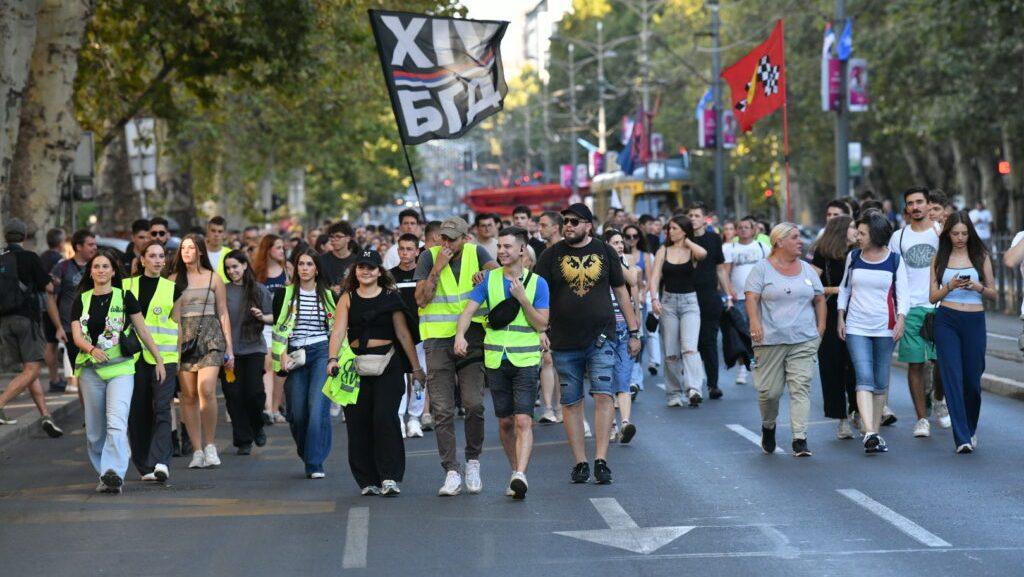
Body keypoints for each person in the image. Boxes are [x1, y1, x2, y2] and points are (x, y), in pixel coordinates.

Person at [535, 203, 641, 485]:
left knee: (604, 396)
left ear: (587, 225)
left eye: (573, 221)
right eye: (564, 221)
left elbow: (621, 292)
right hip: (564, 341)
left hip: (602, 337)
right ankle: (580, 462)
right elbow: (537, 293)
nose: (567, 225)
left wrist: (633, 332)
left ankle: (601, 460)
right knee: (571, 402)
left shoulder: (605, 251)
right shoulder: (551, 255)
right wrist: (540, 330)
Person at [455, 227, 548, 498]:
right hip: (496, 359)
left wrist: (522, 300)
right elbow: (468, 311)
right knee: (505, 422)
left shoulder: (537, 283)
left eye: (508, 246)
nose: (502, 251)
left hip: (527, 359)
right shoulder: (488, 280)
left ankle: (521, 474)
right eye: (500, 247)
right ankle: (514, 472)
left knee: (523, 420)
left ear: (522, 250)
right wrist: (460, 334)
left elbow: (542, 322)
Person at [414, 216, 498, 496]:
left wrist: (487, 277)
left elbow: (501, 281)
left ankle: (473, 461)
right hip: (437, 340)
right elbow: (421, 299)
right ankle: (451, 469)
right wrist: (436, 269)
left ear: (466, 237)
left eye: (452, 238)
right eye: (442, 237)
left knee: (474, 404)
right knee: (442, 409)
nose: (446, 242)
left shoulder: (478, 252)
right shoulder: (428, 257)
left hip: (472, 337)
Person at [328, 250, 423, 495]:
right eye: (361, 266)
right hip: (356, 366)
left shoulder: (391, 297)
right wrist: (332, 359)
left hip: (388, 364)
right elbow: (338, 332)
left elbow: (403, 334)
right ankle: (367, 480)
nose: (366, 271)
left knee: (384, 417)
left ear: (380, 271)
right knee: (358, 422)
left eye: (371, 267)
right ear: (355, 271)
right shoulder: (347, 298)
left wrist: (416, 368)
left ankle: (389, 477)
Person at [71, 250, 166, 493]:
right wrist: (91, 349)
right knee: (94, 432)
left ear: (114, 271)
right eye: (96, 267)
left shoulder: (125, 296)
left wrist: (158, 359)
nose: (101, 270)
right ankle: (105, 475)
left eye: (105, 266)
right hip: (91, 371)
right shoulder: (80, 300)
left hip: (121, 369)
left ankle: (114, 472)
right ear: (90, 272)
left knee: (116, 423)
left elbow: (143, 331)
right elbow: (76, 336)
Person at [745, 223, 826, 457]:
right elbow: (751, 298)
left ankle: (799, 439)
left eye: (800, 237)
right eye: (794, 237)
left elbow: (819, 298)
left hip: (804, 339)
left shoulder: (808, 270)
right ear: (779, 242)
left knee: (800, 387)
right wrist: (754, 323)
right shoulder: (761, 269)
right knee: (769, 392)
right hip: (769, 339)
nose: (800, 241)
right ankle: (768, 425)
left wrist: (820, 328)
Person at [837, 211, 909, 454]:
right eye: (857, 232)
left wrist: (901, 320)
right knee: (864, 377)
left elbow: (903, 294)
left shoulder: (894, 260)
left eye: (862, 233)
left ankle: (874, 434)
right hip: (856, 325)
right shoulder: (854, 257)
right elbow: (844, 289)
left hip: (885, 327)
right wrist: (840, 316)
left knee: (880, 382)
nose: (857, 236)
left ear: (876, 234)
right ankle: (869, 431)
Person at [929, 211, 996, 454]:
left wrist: (977, 287)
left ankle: (970, 427)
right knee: (952, 378)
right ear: (948, 234)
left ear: (970, 233)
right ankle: (962, 437)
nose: (959, 238)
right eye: (955, 233)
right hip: (947, 320)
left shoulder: (981, 255)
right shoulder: (939, 258)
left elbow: (993, 293)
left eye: (964, 233)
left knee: (972, 381)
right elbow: (932, 296)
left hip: (974, 320)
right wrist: (950, 286)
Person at [169, 234, 233, 469]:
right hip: (183, 339)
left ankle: (210, 445)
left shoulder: (213, 278)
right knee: (187, 396)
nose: (186, 251)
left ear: (200, 252)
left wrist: (230, 349)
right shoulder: (173, 279)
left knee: (206, 390)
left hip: (210, 336)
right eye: (183, 248)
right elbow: (172, 318)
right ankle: (197, 450)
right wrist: (171, 350)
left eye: (191, 248)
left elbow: (223, 312)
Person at [271, 248, 336, 478]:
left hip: (321, 352)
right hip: (295, 355)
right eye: (301, 264)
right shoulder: (284, 295)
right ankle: (308, 451)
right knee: (297, 414)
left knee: (317, 408)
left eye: (309, 264)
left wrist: (334, 358)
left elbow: (336, 331)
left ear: (317, 268)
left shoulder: (328, 296)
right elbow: (278, 331)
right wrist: (281, 357)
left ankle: (315, 462)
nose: (305, 268)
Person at [889, 187, 947, 436]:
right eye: (910, 203)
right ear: (906, 208)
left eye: (920, 202)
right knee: (915, 364)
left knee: (941, 361)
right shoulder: (898, 237)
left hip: (940, 306)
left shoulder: (940, 233)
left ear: (928, 204)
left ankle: (939, 399)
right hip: (910, 307)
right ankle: (921, 419)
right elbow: (890, 274)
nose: (915, 207)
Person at [123, 241, 182, 482]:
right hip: (134, 357)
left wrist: (177, 359)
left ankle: (161, 462)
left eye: (161, 256)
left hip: (164, 358)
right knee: (137, 412)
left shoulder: (173, 289)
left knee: (162, 407)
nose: (158, 260)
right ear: (142, 260)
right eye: (153, 256)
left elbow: (177, 325)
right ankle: (144, 465)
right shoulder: (126, 286)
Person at [0, 218, 63, 437]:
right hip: (26, 319)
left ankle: (45, 415)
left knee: (28, 368)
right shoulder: (29, 257)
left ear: (5, 236)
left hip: (3, 322)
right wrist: (53, 281)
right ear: (24, 237)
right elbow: (47, 285)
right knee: (34, 368)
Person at [649, 216, 708, 407]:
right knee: (671, 352)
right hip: (668, 303)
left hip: (690, 302)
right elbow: (655, 277)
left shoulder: (692, 251)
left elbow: (703, 253)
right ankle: (673, 393)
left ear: (683, 230)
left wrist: (687, 240)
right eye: (669, 229)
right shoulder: (662, 251)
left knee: (690, 348)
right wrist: (654, 299)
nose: (670, 232)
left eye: (674, 228)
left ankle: (693, 389)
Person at [810, 215, 859, 439]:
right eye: (851, 227)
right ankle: (841, 419)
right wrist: (838, 291)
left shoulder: (860, 253)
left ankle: (858, 409)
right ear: (841, 230)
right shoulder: (824, 254)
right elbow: (811, 285)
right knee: (833, 367)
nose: (855, 231)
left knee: (857, 366)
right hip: (830, 316)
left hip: (860, 314)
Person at [223, 250, 272, 455]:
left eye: (235, 266)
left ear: (244, 265)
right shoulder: (223, 291)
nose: (232, 271)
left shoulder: (259, 290)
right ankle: (243, 439)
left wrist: (262, 316)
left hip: (253, 348)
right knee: (234, 395)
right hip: (228, 351)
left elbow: (273, 317)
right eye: (228, 268)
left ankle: (257, 424)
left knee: (254, 393)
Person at [686, 202, 733, 400]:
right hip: (686, 295)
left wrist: (728, 295)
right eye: (690, 215)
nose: (693, 219)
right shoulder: (683, 239)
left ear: (704, 218)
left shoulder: (714, 238)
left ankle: (713, 384)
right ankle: (692, 385)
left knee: (709, 340)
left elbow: (720, 269)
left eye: (697, 215)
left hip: (709, 296)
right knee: (690, 343)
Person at [601, 228, 639, 444]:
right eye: (615, 243)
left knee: (623, 377)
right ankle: (612, 426)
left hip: (625, 328)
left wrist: (637, 329)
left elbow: (633, 284)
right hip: (603, 329)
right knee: (606, 381)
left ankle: (625, 423)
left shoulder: (626, 264)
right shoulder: (597, 266)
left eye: (621, 242)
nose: (620, 246)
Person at [723, 216, 768, 386]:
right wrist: (729, 292)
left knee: (759, 334)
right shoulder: (730, 248)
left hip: (759, 298)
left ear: (753, 229)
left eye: (746, 227)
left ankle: (760, 367)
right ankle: (743, 367)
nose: (743, 230)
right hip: (739, 298)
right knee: (742, 335)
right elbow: (724, 273)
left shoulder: (762, 247)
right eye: (740, 227)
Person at [253, 234, 292, 425]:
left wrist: (290, 285)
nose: (281, 251)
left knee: (280, 368)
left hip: (285, 324)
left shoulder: (288, 269)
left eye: (283, 248)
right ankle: (268, 408)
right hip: (265, 325)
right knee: (267, 365)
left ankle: (276, 408)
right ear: (268, 249)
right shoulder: (257, 271)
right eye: (277, 247)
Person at [391, 233, 426, 438]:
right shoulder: (388, 276)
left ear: (417, 251)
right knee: (399, 379)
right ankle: (399, 417)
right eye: (402, 249)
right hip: (396, 336)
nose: (405, 253)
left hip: (421, 334)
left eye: (409, 249)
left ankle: (414, 418)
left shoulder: (423, 275)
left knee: (419, 377)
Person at [536, 211, 564, 422]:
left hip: (564, 313)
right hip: (542, 313)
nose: (540, 228)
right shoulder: (537, 249)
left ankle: (562, 407)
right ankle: (548, 409)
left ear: (556, 227)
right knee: (547, 359)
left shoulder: (567, 249)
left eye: (544, 225)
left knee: (561, 362)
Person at [622, 223, 657, 388]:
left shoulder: (645, 256)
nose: (631, 240)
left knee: (639, 336)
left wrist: (643, 295)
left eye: (634, 236)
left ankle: (636, 376)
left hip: (640, 300)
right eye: (628, 236)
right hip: (622, 300)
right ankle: (629, 376)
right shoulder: (621, 256)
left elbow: (649, 279)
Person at [40, 227, 67, 393]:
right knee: (52, 344)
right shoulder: (59, 261)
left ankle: (54, 377)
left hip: (42, 305)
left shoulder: (41, 257)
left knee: (51, 343)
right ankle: (55, 379)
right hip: (54, 305)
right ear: (60, 242)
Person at [321, 220, 358, 290]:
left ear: (348, 238)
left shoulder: (357, 261)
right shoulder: (322, 260)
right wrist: (328, 290)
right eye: (332, 236)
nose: (334, 239)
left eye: (338, 236)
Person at [205, 216, 229, 282]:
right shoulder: (199, 253)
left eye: (220, 231)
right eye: (213, 231)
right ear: (207, 232)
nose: (216, 234)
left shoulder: (230, 254)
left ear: (224, 234)